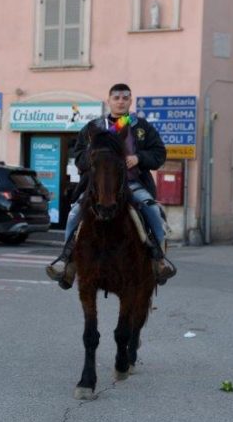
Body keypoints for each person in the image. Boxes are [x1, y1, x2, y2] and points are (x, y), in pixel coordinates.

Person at [46, 83, 177, 288]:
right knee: (74, 214)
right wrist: (94, 160)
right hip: (98, 187)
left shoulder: (142, 127)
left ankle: (159, 259)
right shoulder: (94, 128)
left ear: (130, 101)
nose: (121, 102)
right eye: (116, 98)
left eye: (125, 98)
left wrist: (139, 158)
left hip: (133, 184)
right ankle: (67, 261)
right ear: (109, 101)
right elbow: (78, 155)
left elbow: (159, 153)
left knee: (152, 209)